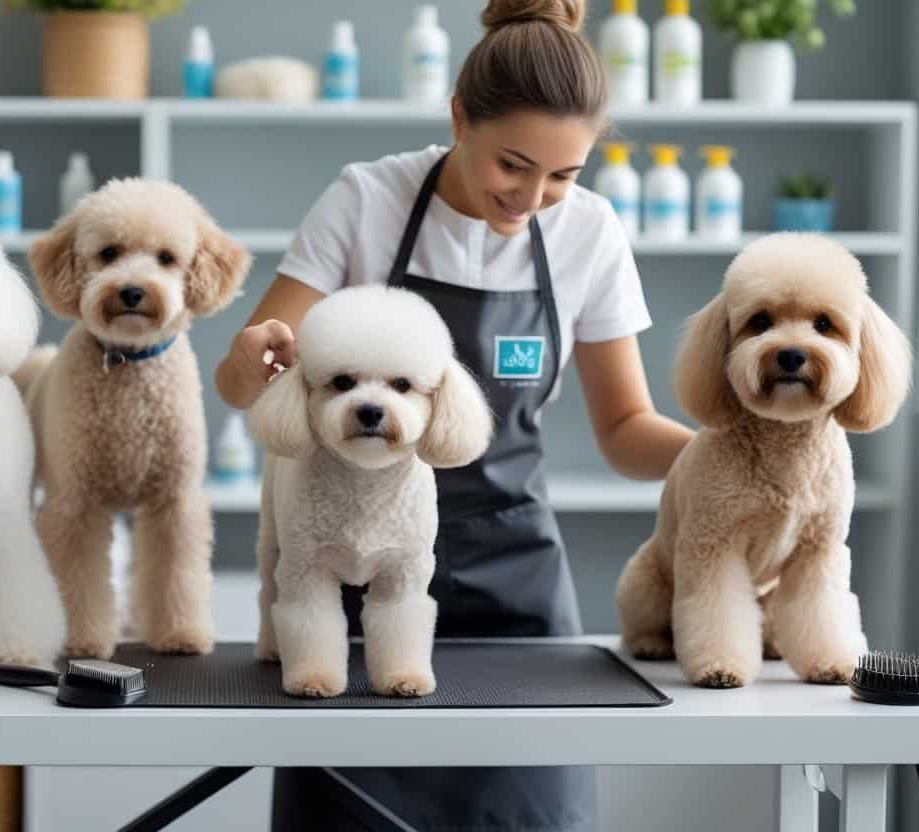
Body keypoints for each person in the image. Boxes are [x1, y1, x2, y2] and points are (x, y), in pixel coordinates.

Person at [215, 0, 695, 829]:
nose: (532, 198)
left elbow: (624, 431)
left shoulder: (589, 232)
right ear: (459, 118)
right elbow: (249, 386)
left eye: (563, 175)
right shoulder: (367, 200)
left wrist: (719, 455)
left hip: (515, 582)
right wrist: (247, 355)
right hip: (351, 574)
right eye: (513, 164)